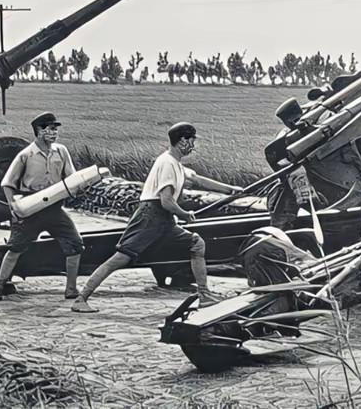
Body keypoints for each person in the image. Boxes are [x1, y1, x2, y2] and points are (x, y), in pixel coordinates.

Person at [72, 122, 242, 313]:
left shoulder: (175, 163)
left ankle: (204, 295)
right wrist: (184, 215)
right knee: (120, 259)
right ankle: (81, 298)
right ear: (183, 141)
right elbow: (166, 201)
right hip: (150, 217)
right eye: (192, 141)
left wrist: (231, 190)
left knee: (196, 244)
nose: (193, 146)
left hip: (163, 220)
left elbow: (197, 179)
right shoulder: (167, 163)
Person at [0, 112, 85, 304]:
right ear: (39, 131)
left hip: (54, 207)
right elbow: (7, 184)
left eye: (56, 129)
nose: (55, 133)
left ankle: (71, 289)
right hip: (30, 208)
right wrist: (14, 207)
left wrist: (79, 186)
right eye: (51, 129)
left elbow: (71, 178)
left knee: (75, 244)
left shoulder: (61, 151)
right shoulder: (25, 155)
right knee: (14, 249)